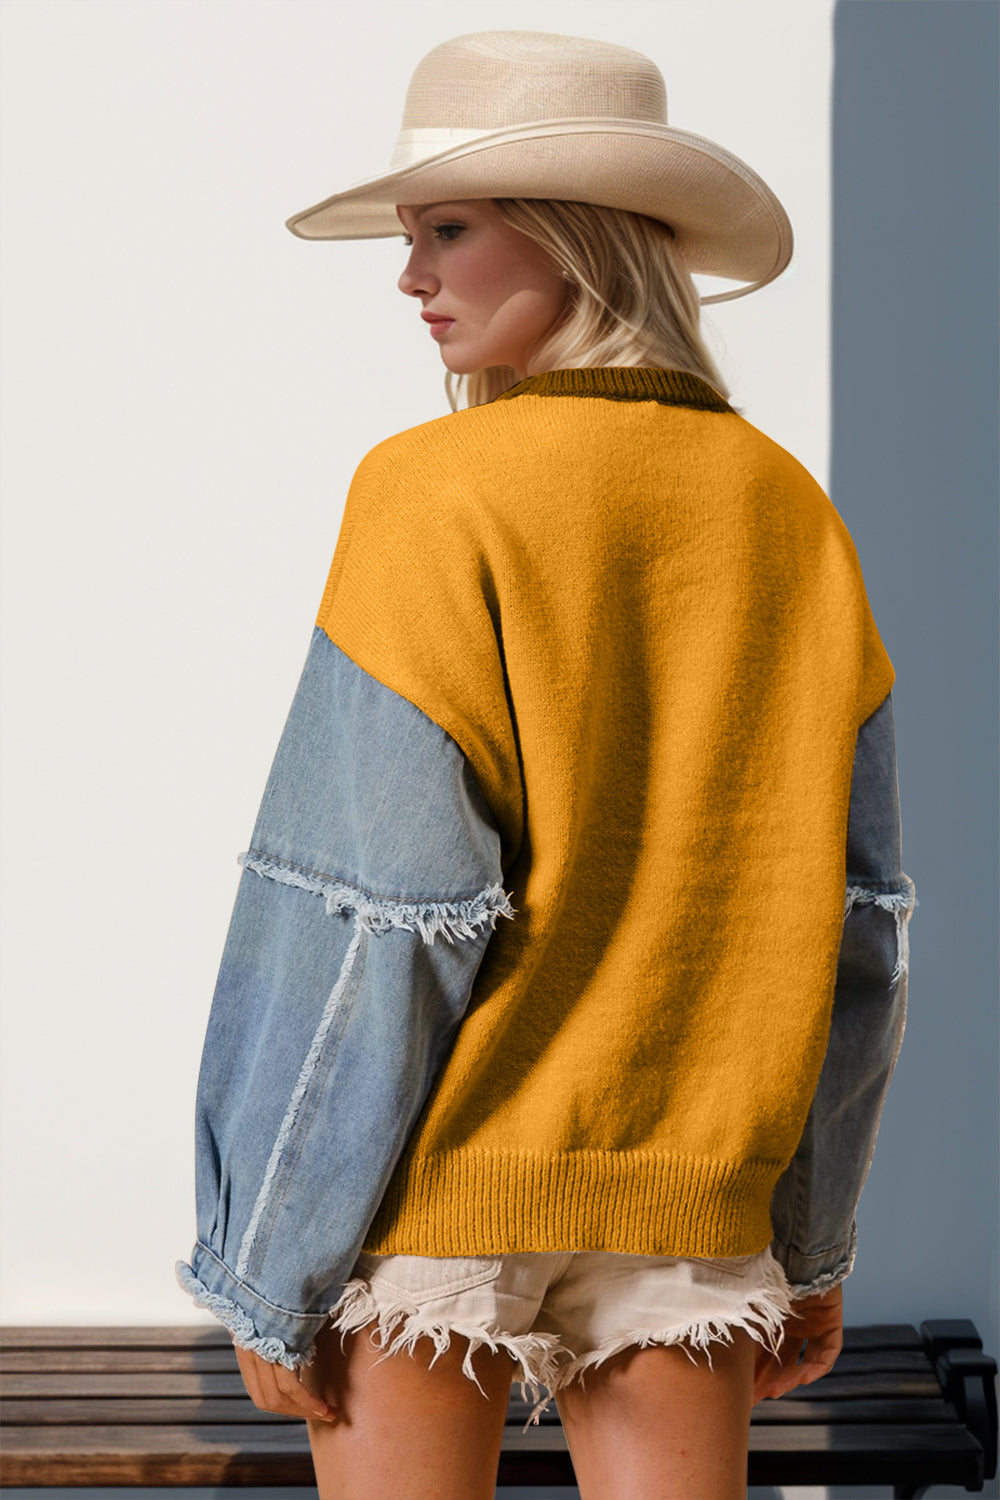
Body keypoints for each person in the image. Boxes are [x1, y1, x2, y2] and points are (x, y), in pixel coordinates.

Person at [177, 31, 916, 1500]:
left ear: (582, 230)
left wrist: (270, 1252)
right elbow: (858, 919)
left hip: (432, 1195)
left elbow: (374, 908)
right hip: (687, 1187)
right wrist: (812, 1238)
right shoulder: (788, 509)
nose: (411, 277)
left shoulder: (431, 491)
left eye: (447, 228)